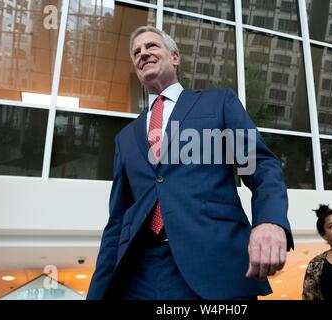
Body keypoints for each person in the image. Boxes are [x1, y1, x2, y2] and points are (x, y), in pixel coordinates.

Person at [86, 26, 293, 300]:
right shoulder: (125, 138)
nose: (143, 53)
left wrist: (269, 221)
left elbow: (261, 165)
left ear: (175, 57)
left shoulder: (218, 102)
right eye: (136, 52)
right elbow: (117, 220)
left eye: (151, 46)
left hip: (213, 261)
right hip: (139, 273)